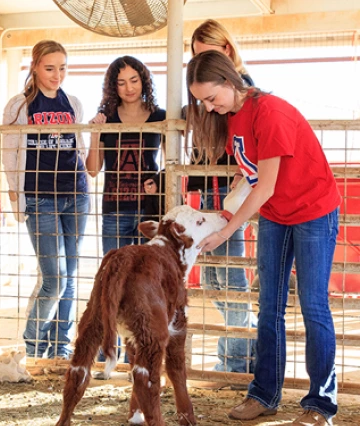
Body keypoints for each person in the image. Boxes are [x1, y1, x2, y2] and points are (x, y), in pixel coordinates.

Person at [188, 50, 340, 426]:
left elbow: (266, 186)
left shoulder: (269, 112)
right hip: (276, 215)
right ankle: (264, 394)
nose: (208, 108)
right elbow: (248, 176)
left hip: (313, 210)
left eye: (211, 97)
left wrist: (227, 229)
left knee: (313, 305)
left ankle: (320, 404)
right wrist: (225, 211)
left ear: (228, 81)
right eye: (202, 101)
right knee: (268, 305)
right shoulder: (231, 117)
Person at [146, 19, 258, 381]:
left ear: (227, 50)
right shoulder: (202, 98)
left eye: (208, 53)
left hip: (232, 191)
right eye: (196, 56)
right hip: (209, 191)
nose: (202, 61)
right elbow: (198, 148)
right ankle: (245, 352)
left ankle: (237, 361)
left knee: (230, 279)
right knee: (213, 279)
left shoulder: (246, 92)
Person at [2, 40, 89, 360]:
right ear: (35, 66)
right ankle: (33, 342)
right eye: (50, 68)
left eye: (63, 68)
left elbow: (78, 145)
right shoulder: (19, 106)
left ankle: (61, 346)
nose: (57, 75)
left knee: (71, 275)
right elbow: (10, 155)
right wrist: (17, 199)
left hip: (75, 194)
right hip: (41, 198)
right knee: (55, 277)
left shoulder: (74, 103)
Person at [87, 56, 165, 365]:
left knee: (146, 285)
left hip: (149, 210)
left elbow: (170, 163)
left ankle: (143, 354)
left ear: (144, 81)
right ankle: (111, 353)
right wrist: (94, 133)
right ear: (113, 86)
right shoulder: (106, 118)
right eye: (121, 82)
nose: (128, 87)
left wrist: (158, 184)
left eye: (134, 80)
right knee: (114, 283)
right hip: (115, 209)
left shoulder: (160, 115)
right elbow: (93, 169)